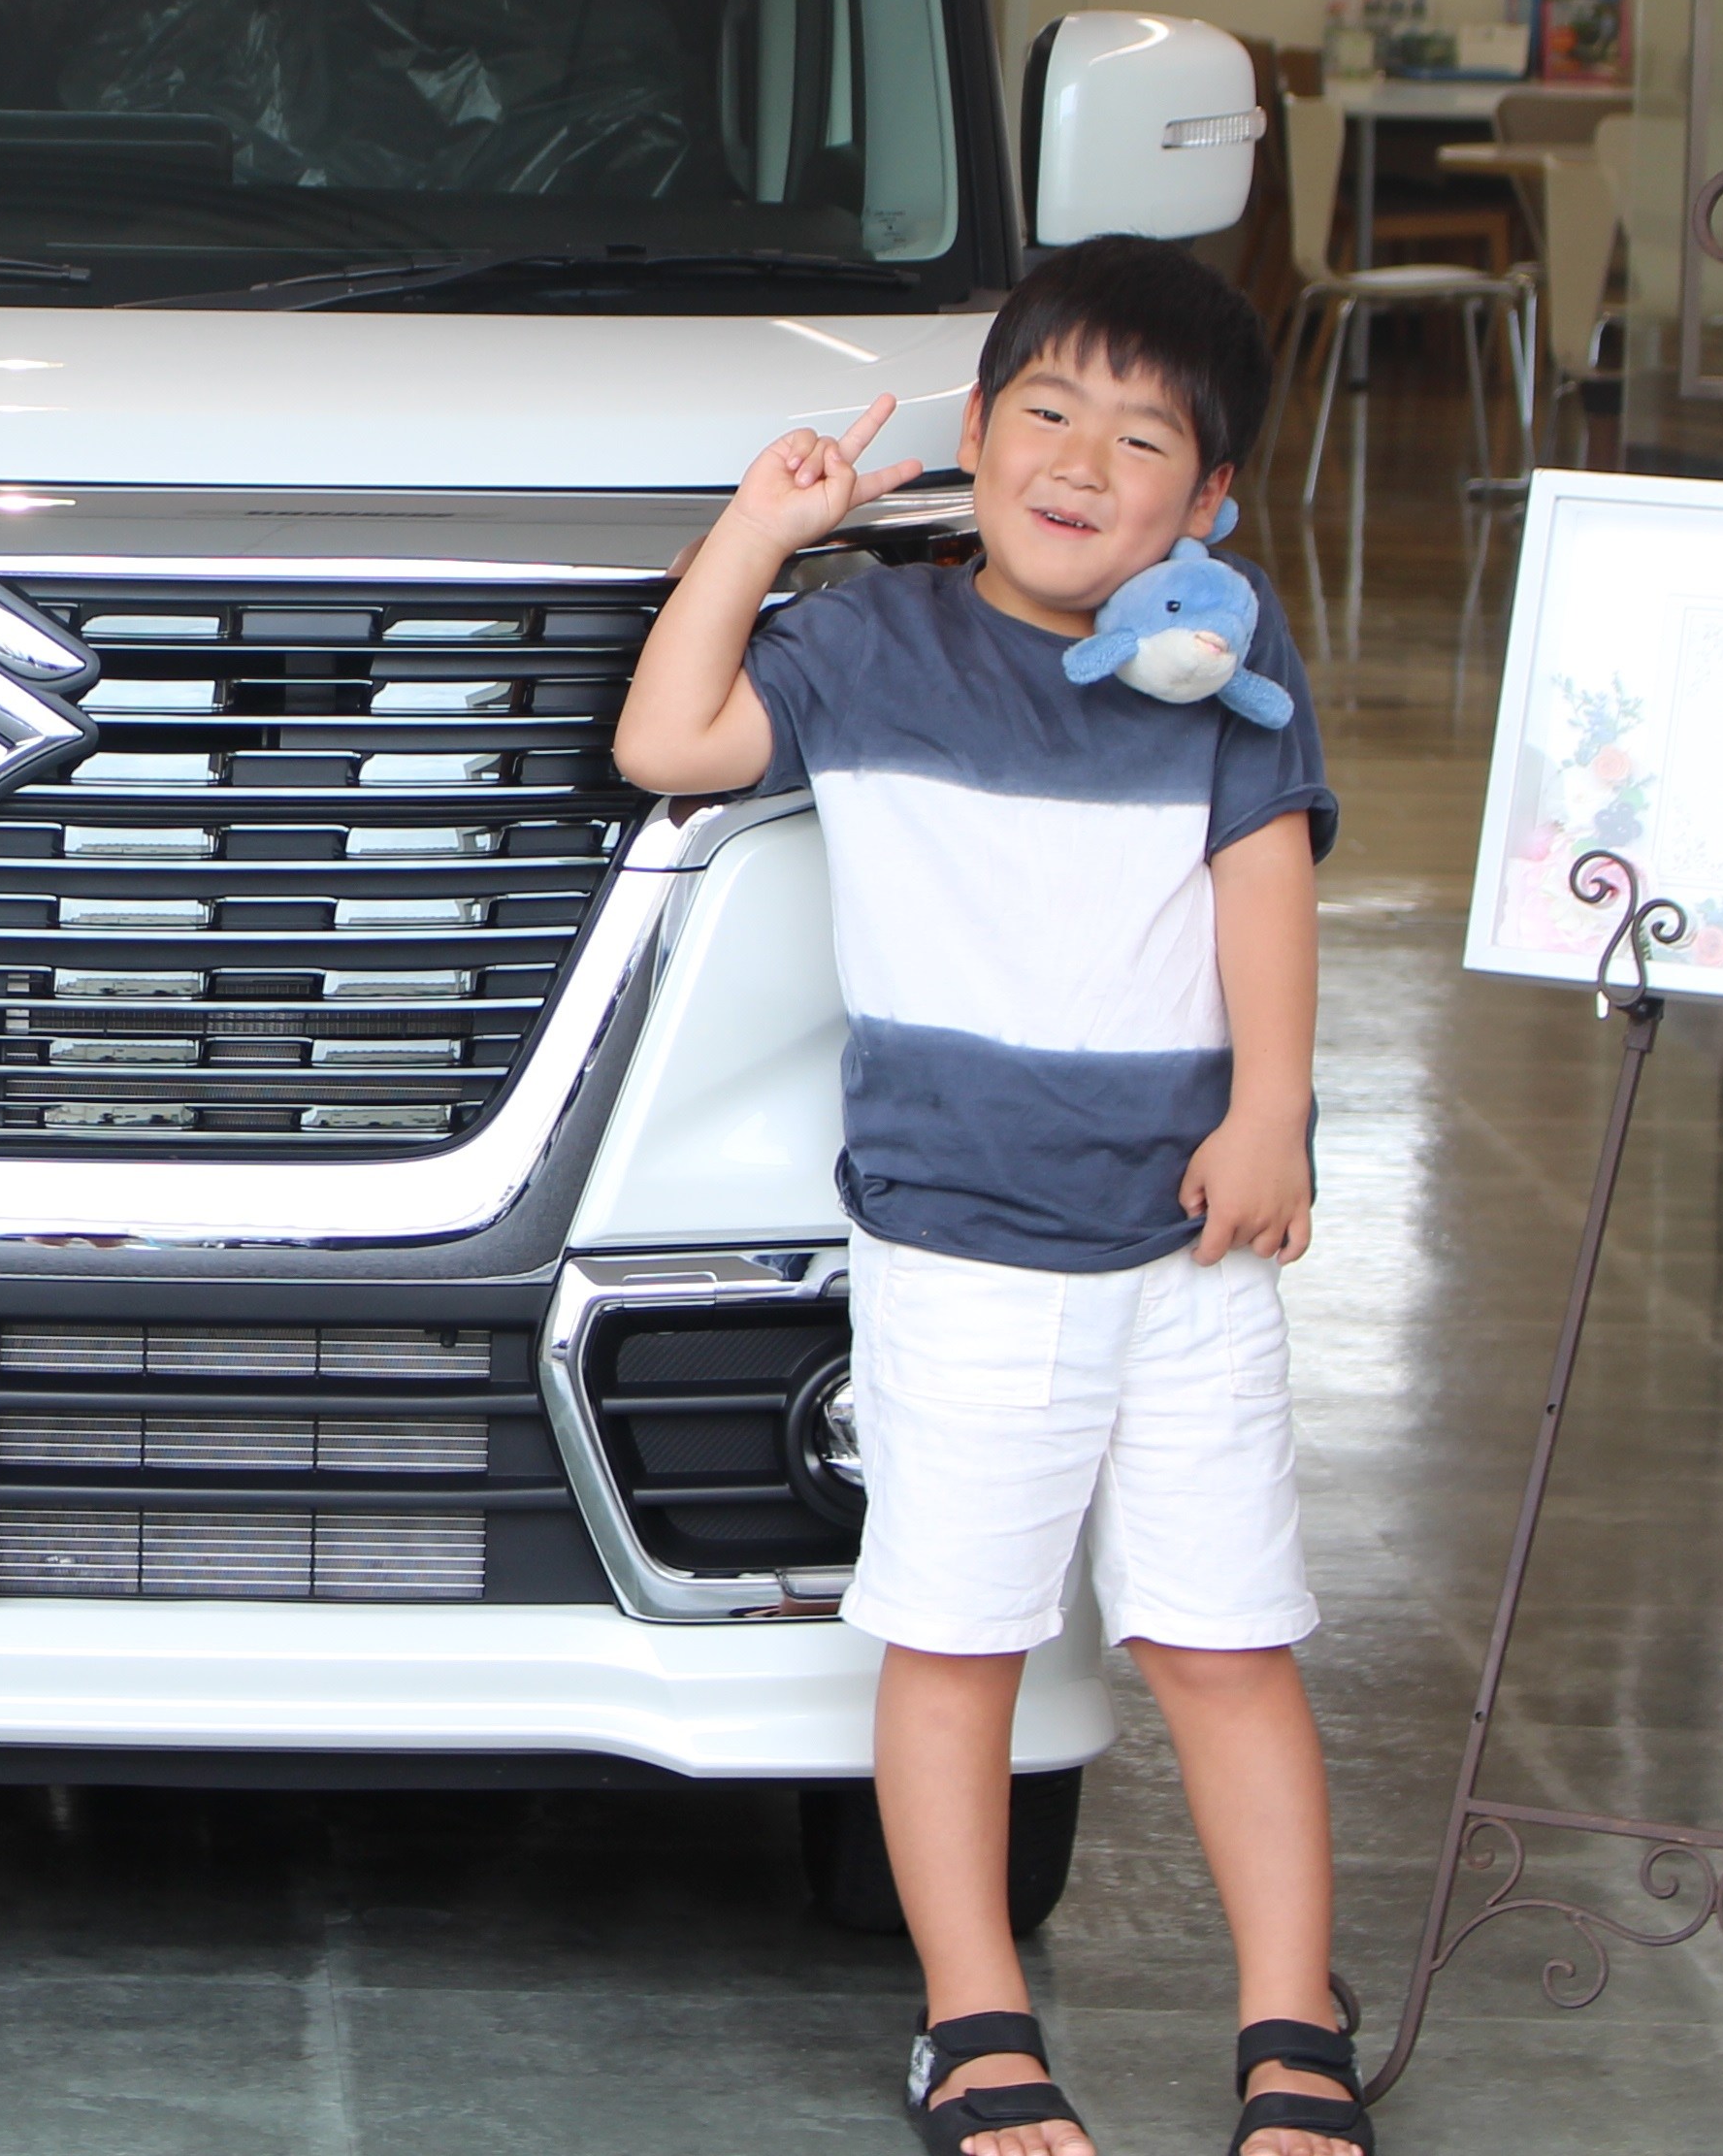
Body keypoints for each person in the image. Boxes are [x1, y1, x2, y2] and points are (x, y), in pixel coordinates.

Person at [613, 237, 1362, 2156]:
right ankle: (973, 2023)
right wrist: (761, 529)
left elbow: (1264, 874)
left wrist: (1273, 1110)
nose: (1082, 463)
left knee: (1222, 1640)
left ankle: (1294, 2022)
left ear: (1208, 500)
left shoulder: (1230, 651)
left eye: (1144, 440)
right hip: (958, 1241)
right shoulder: (876, 643)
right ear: (975, 431)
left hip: (1191, 1240)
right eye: (1047, 412)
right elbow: (667, 739)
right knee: (957, 1641)